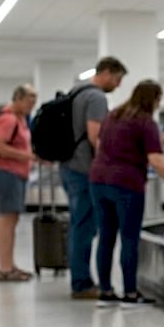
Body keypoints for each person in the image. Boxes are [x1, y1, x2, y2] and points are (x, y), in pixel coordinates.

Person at [89, 80, 164, 308]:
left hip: (98, 181)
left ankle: (105, 291)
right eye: (158, 99)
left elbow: (98, 145)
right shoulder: (145, 123)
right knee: (129, 238)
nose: (158, 104)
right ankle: (129, 293)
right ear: (152, 99)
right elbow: (155, 160)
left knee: (106, 237)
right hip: (126, 184)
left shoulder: (113, 116)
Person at [62, 56, 127, 300]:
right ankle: (81, 283)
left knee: (78, 224)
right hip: (83, 169)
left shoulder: (75, 91)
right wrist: (107, 168)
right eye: (118, 79)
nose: (118, 85)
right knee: (85, 227)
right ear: (107, 73)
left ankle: (79, 278)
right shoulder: (96, 97)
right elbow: (95, 137)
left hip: (68, 166)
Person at [0, 85, 38, 282]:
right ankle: (5, 268)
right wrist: (25, 155)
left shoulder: (21, 120)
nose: (31, 106)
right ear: (17, 99)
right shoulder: (8, 119)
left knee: (12, 220)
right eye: (28, 102)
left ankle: (9, 265)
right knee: (7, 220)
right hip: (6, 173)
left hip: (17, 174)